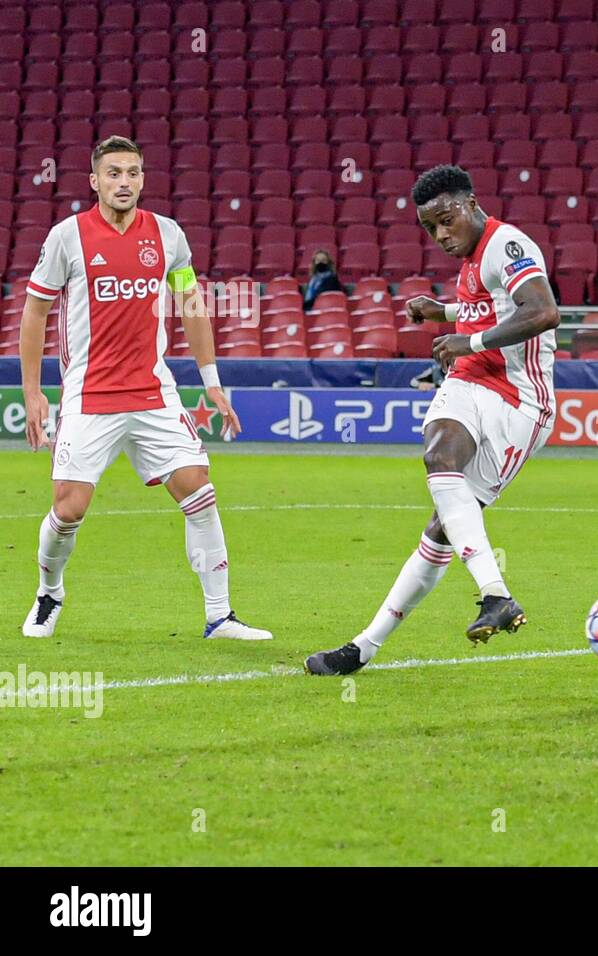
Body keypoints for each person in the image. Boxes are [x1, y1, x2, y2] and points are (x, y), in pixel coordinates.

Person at [306, 165, 559, 676]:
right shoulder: (470, 260)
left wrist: (469, 340)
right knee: (438, 455)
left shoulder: (506, 244)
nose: (442, 235)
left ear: (470, 203)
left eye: (446, 221)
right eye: (430, 229)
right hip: (470, 381)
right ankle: (493, 594)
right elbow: (490, 309)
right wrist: (443, 313)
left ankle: (367, 646)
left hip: (519, 403)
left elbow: (543, 311)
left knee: (443, 529)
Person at [18, 136, 270, 641]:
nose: (124, 182)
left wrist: (212, 382)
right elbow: (35, 312)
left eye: (132, 173)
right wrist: (33, 392)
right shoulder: (67, 237)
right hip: (89, 397)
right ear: (94, 181)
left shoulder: (169, 235)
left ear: (142, 179)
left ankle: (219, 616)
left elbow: (192, 306)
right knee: (69, 510)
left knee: (199, 491)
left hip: (154, 393)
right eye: (113, 173)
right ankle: (49, 594)